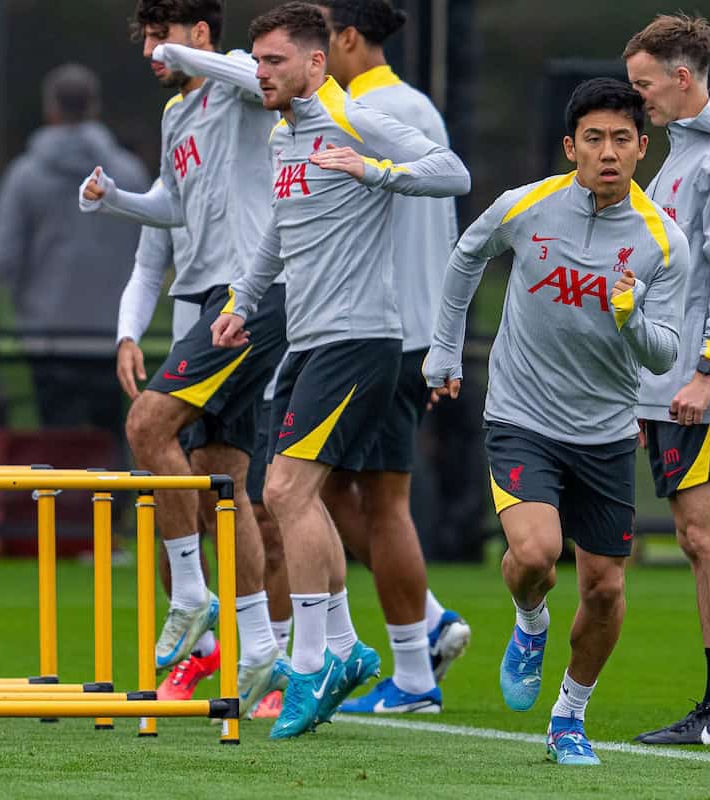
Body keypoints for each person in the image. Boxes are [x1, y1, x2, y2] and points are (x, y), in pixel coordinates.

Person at [209, 1, 469, 740]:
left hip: (361, 339)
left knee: (289, 489)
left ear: (317, 63)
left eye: (273, 61)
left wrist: (375, 170)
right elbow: (276, 233)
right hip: (307, 339)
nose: (260, 73)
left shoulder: (353, 118)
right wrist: (242, 302)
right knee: (287, 492)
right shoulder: (285, 133)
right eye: (256, 60)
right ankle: (339, 649)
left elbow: (452, 173)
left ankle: (323, 653)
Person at [425, 77, 688, 765]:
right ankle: (531, 620)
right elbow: (464, 259)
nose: (608, 152)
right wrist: (444, 350)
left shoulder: (664, 241)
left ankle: (569, 717)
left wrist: (631, 319)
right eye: (594, 139)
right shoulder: (527, 205)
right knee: (537, 554)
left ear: (642, 148)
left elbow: (665, 357)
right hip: (522, 415)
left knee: (604, 586)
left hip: (604, 431)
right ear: (570, 146)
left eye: (622, 140)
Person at [79, 0, 289, 718]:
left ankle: (192, 595)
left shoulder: (241, 85)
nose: (149, 54)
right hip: (205, 307)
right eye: (143, 39)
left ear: (199, 35)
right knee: (220, 484)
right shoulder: (177, 117)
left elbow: (239, 69)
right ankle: (261, 648)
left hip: (250, 299)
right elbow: (172, 206)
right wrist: (115, 202)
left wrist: (185, 55)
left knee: (145, 428)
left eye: (159, 37)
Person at [305, 0, 471, 715]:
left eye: (319, 40)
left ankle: (409, 668)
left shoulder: (365, 112)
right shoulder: (414, 107)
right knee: (330, 491)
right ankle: (423, 628)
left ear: (346, 38)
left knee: (362, 500)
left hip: (381, 330)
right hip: (405, 329)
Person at [623, 13, 710, 745]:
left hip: (699, 385)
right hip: (670, 380)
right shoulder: (686, 152)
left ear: (682, 79)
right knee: (695, 536)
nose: (637, 99)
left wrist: (708, 370)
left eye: (644, 86)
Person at [0, 63, 148, 457]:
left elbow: (4, 256)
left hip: (49, 335)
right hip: (114, 332)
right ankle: (113, 516)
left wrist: (29, 304)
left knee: (54, 440)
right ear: (94, 107)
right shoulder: (127, 172)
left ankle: (58, 516)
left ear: (51, 108)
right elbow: (151, 245)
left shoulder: (24, 176)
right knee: (112, 435)